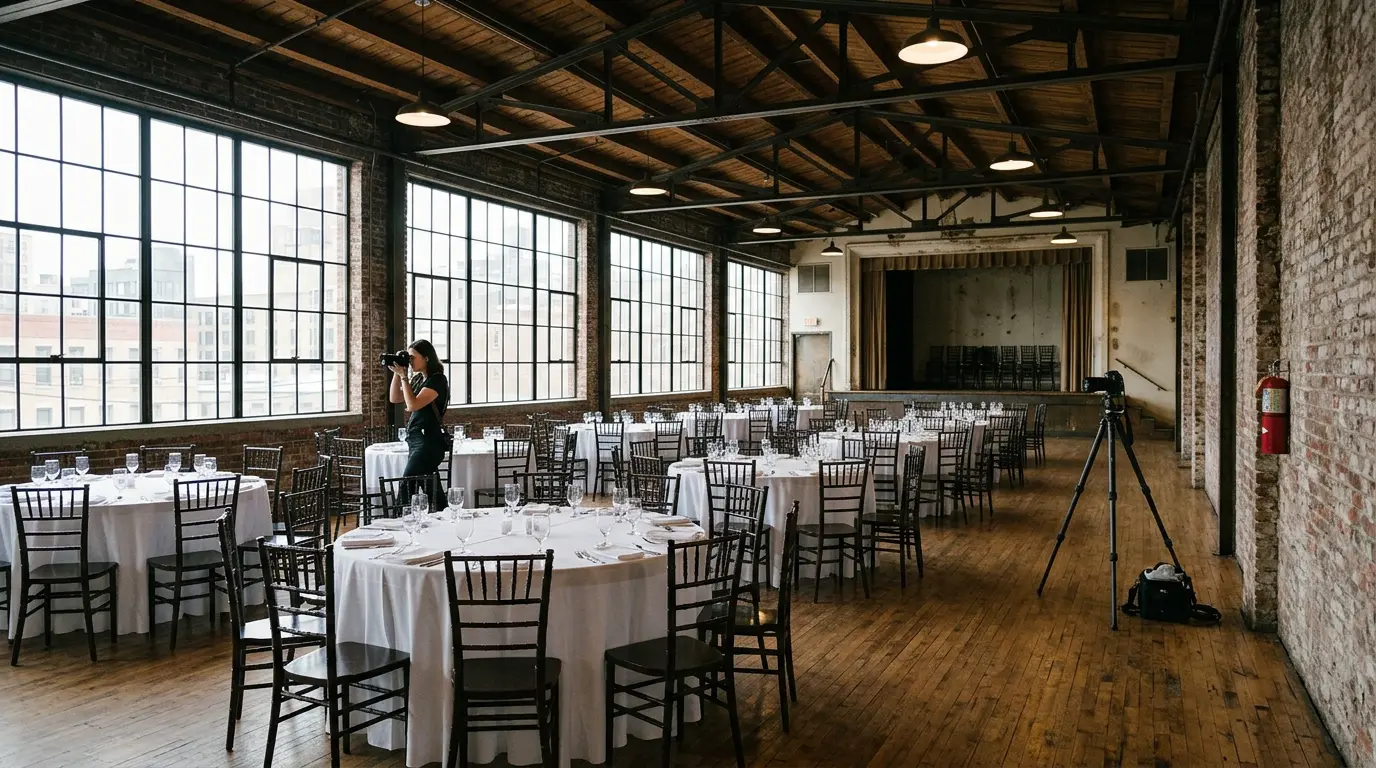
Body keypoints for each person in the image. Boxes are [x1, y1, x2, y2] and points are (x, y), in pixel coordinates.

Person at [388, 339, 449, 509]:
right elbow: (395, 398)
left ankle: (401, 520)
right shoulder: (418, 380)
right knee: (432, 488)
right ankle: (446, 517)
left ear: (427, 358)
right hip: (416, 441)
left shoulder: (438, 380)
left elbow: (413, 405)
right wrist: (396, 372)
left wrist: (403, 377)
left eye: (413, 357)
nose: (410, 361)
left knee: (408, 483)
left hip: (428, 442)